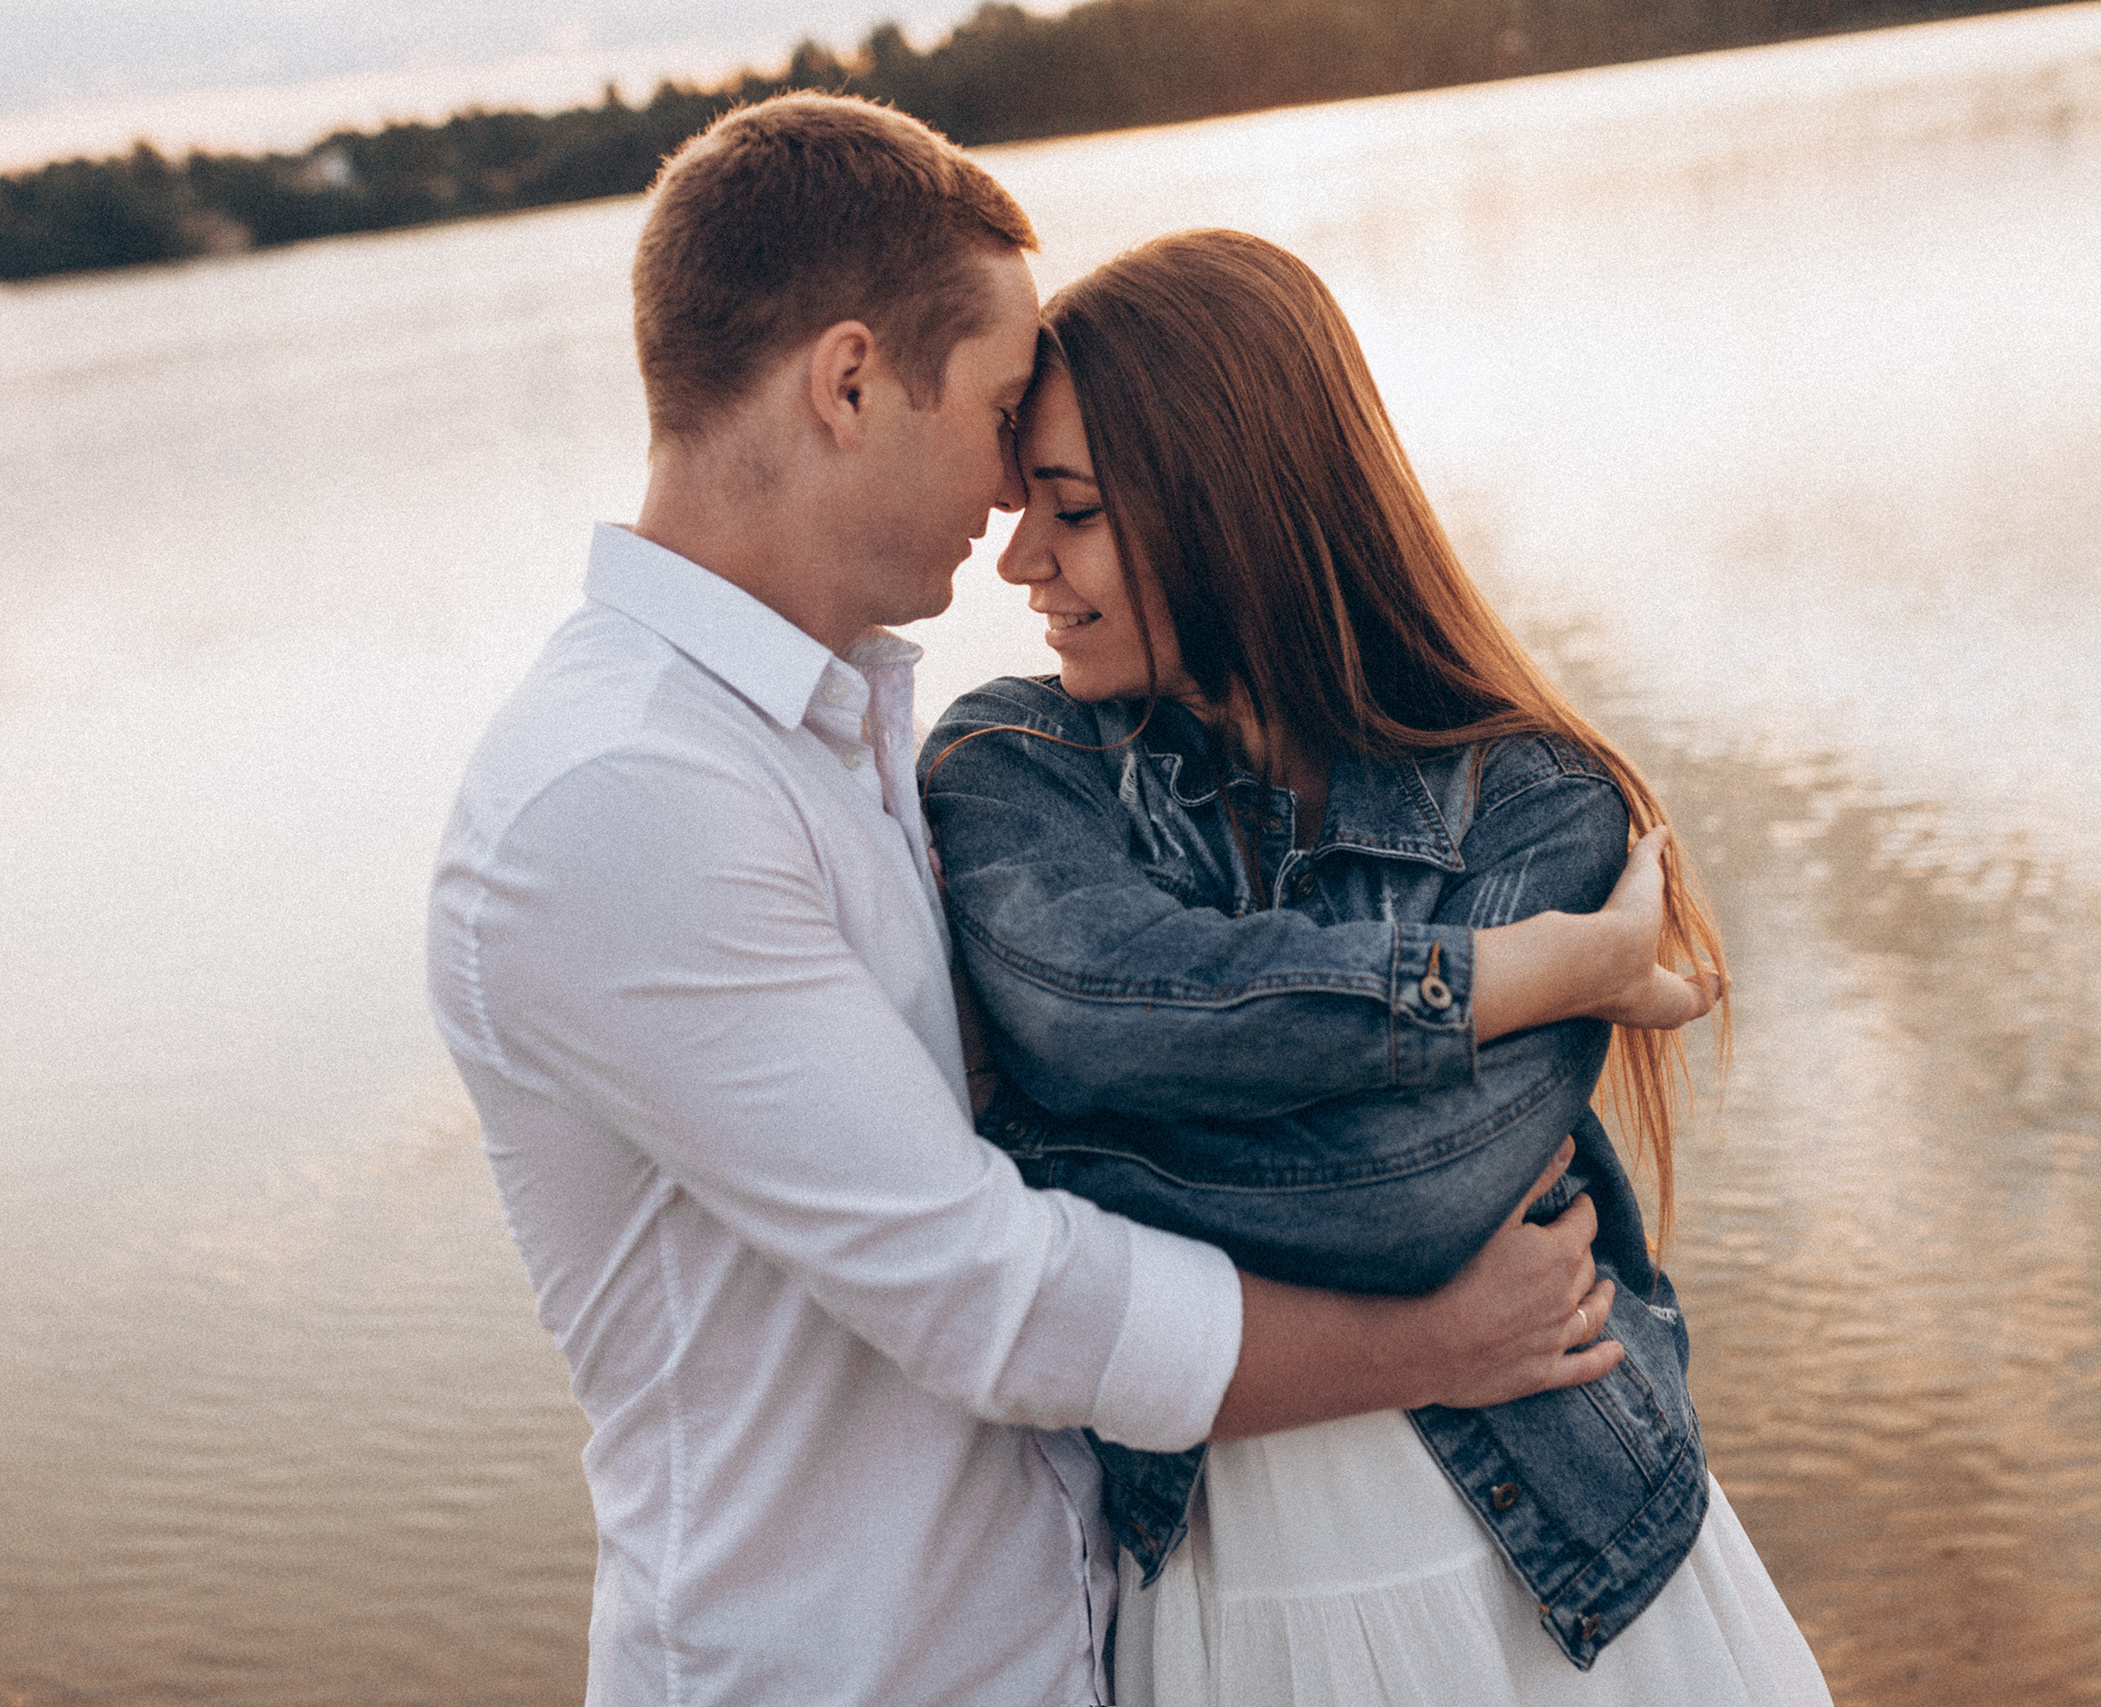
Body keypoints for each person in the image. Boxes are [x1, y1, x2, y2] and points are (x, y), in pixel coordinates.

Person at [426, 96, 1693, 1707]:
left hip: (1070, 1648)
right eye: (1004, 406)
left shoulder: (831, 734)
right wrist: (1429, 1338)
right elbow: (992, 1292)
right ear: (851, 382)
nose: (1014, 481)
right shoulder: (624, 798)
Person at [921, 229, 1835, 1703]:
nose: (1019, 558)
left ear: (1228, 510)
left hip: (1556, 1594)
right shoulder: (1011, 767)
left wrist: (1022, 1167)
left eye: (1071, 511)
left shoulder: (1542, 804)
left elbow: (1403, 1194)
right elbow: (1098, 1012)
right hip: (1222, 1609)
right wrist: (1526, 975)